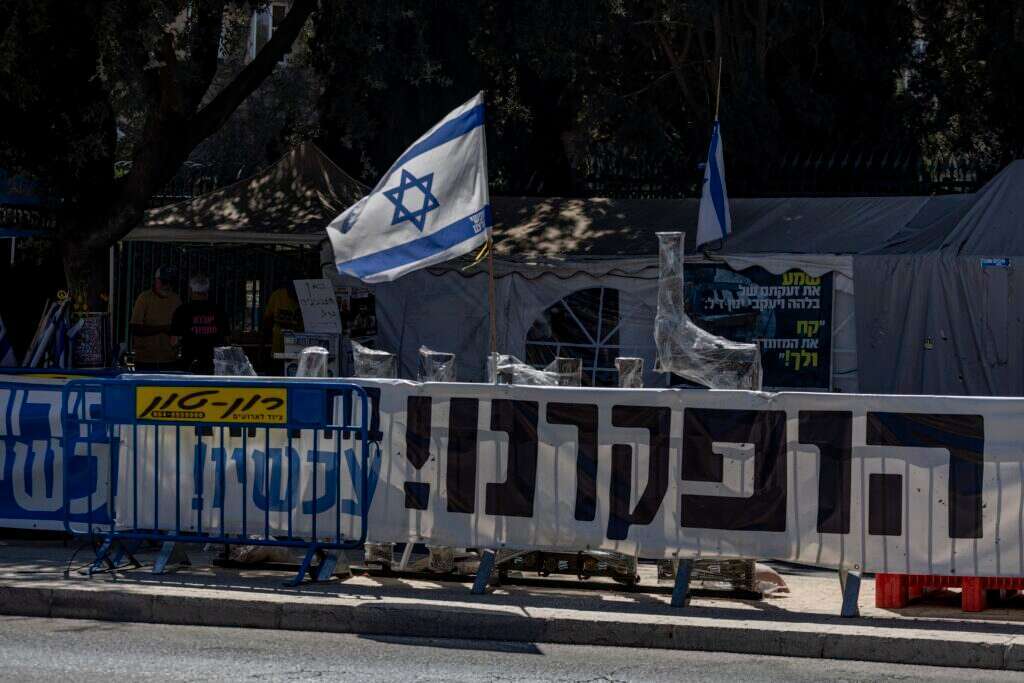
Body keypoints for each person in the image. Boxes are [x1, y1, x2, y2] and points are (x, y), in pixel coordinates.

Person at [171, 275, 229, 374]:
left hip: (188, 363)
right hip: (213, 364)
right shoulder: (219, 310)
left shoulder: (182, 310)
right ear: (207, 291)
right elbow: (227, 339)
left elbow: (173, 341)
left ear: (190, 290)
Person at [130, 266, 181, 372]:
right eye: (164, 282)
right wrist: (163, 329)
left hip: (169, 360)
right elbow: (136, 328)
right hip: (145, 361)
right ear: (156, 281)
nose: (167, 285)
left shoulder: (176, 300)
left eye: (170, 282)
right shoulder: (144, 298)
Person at [261, 280, 303, 356]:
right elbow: (268, 320)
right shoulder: (277, 295)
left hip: (300, 347)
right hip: (279, 346)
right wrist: (262, 345)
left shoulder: (307, 298)